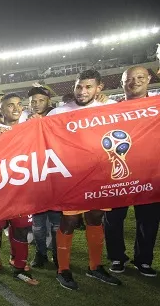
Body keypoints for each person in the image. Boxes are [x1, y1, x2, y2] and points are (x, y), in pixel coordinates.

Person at [47, 70, 120, 290]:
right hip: (71, 177)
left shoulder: (110, 107)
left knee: (96, 218)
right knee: (69, 221)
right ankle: (63, 269)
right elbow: (39, 134)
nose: (82, 91)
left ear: (100, 88)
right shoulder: (59, 112)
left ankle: (95, 266)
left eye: (88, 87)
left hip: (99, 175)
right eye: (79, 87)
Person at [104, 66, 158, 277]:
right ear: (122, 83)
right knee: (113, 219)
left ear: (149, 79)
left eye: (140, 77)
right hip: (118, 173)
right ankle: (117, 258)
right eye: (130, 79)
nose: (134, 82)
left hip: (150, 174)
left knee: (149, 220)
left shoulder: (156, 106)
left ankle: (144, 260)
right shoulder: (111, 112)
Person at [0, 94, 39, 287]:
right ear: (0, 109)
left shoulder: (31, 127)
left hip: (22, 191)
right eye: (10, 105)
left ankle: (19, 267)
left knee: (22, 230)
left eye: (19, 104)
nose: (16, 108)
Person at [25, 85, 60, 269]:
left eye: (41, 101)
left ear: (49, 102)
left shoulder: (57, 118)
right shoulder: (25, 121)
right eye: (33, 102)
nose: (37, 104)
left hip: (55, 176)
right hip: (35, 178)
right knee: (37, 224)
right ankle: (41, 253)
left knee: (56, 223)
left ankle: (57, 254)